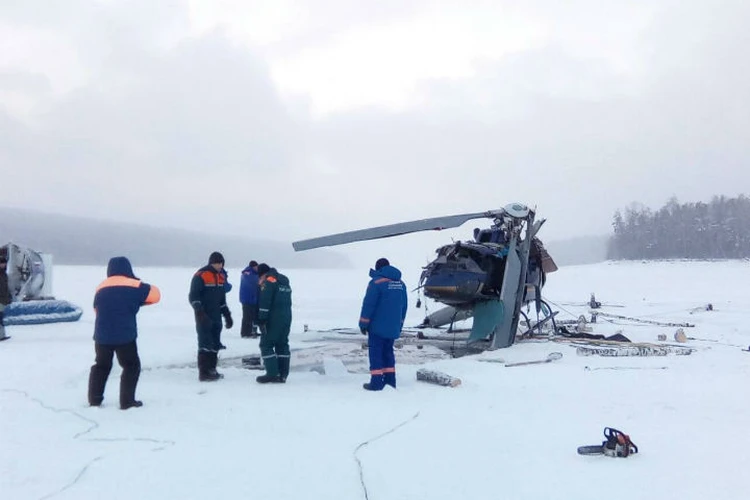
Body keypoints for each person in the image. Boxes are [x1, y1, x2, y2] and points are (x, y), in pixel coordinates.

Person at [88, 257, 161, 409]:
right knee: (131, 366)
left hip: (102, 336)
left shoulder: (101, 287)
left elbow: (96, 309)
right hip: (125, 336)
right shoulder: (134, 285)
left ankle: (94, 400)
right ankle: (127, 402)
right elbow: (156, 295)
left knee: (101, 366)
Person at [358, 258, 408, 391]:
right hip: (393, 327)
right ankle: (390, 381)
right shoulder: (401, 284)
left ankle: (376, 383)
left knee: (376, 354)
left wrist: (363, 323)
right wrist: (399, 325)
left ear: (378, 269)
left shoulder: (376, 283)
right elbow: (404, 307)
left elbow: (369, 305)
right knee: (388, 353)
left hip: (377, 327)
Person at [189, 251, 233, 381]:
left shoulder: (220, 277)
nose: (220, 266)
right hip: (204, 316)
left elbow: (222, 301)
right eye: (218, 263)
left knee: (215, 344)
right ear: (211, 263)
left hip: (216, 316)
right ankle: (204, 372)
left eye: (221, 263)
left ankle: (212, 369)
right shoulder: (200, 275)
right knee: (205, 343)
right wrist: (199, 312)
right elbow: (193, 296)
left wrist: (227, 315)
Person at [255, 263, 292, 383]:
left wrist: (261, 319)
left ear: (263, 274)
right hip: (286, 318)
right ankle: (283, 374)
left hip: (274, 319)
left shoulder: (269, 282)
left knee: (266, 344)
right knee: (282, 344)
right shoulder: (284, 281)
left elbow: (265, 302)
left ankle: (272, 373)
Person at [239, 260, 260, 338]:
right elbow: (254, 280)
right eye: (256, 267)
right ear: (253, 267)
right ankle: (245, 333)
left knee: (251, 316)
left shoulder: (253, 273)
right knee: (247, 316)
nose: (257, 268)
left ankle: (250, 331)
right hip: (247, 299)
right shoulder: (247, 273)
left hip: (252, 298)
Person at [0, 255, 10, 341]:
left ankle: (2, 335)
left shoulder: (4, 274)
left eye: (4, 263)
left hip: (3, 299)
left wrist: (8, 297)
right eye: (1, 263)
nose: (3, 265)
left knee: (1, 317)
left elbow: (6, 287)